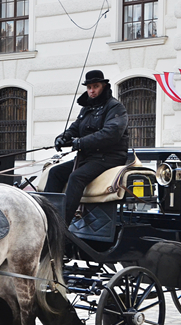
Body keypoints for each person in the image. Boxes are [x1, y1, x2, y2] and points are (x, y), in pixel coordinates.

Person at [44, 69, 130, 222]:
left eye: (95, 86)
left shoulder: (115, 107)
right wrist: (63, 138)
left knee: (76, 177)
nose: (92, 91)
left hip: (109, 158)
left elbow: (111, 133)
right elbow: (75, 127)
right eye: (89, 87)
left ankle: (62, 223)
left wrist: (81, 142)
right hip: (88, 157)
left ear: (103, 86)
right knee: (55, 173)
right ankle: (47, 218)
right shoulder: (87, 108)